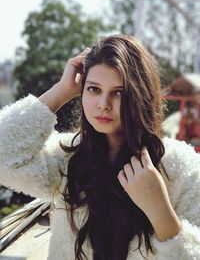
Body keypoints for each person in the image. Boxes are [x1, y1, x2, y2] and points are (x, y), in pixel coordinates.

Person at [0, 35, 200, 260]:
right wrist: (62, 90)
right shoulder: (68, 158)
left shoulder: (182, 170)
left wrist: (160, 212)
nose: (103, 104)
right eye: (94, 89)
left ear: (140, 96)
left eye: (119, 92)